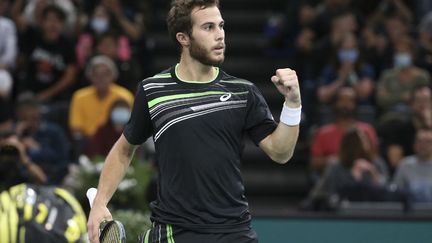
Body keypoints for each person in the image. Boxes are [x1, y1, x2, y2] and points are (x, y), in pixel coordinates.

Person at [87, 1, 302, 242]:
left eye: (221, 26)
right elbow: (124, 150)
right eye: (208, 27)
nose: (220, 35)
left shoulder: (243, 93)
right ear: (183, 37)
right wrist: (100, 203)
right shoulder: (154, 90)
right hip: (174, 232)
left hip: (235, 231)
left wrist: (292, 103)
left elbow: (280, 153)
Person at [306, 128, 389, 210]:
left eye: (364, 141)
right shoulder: (336, 167)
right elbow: (326, 194)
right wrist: (354, 176)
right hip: (341, 214)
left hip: (374, 212)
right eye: (355, 143)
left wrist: (373, 173)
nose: (361, 146)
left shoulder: (377, 163)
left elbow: (387, 191)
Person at [310, 87, 378, 175]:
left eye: (350, 101)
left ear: (355, 104)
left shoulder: (367, 130)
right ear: (335, 104)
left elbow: (376, 160)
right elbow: (314, 162)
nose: (345, 104)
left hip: (361, 176)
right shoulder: (323, 132)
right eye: (342, 100)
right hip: (334, 177)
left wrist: (365, 147)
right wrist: (335, 161)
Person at [69, 55, 133, 142]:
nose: (100, 79)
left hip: (116, 141)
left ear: (113, 76)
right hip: (88, 142)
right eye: (96, 74)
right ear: (90, 76)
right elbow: (75, 128)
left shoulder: (124, 96)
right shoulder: (79, 96)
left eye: (105, 74)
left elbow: (131, 126)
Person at [14, 95, 70, 185]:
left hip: (50, 178)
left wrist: (37, 149)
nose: (29, 119)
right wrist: (18, 137)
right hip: (22, 180)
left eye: (32, 115)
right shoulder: (16, 133)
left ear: (38, 112)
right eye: (24, 117)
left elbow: (62, 159)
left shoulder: (53, 131)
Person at [392, 129, 432, 202]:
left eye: (428, 142)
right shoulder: (405, 164)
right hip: (411, 210)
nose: (423, 145)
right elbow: (397, 190)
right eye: (419, 141)